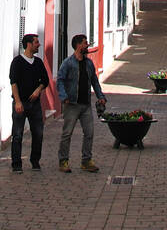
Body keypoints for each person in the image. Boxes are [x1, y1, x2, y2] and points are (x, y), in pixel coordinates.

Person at [56, 34, 106, 172]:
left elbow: (94, 81)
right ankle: (63, 161)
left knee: (89, 133)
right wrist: (63, 96)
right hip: (71, 104)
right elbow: (60, 80)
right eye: (85, 43)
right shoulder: (68, 63)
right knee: (67, 133)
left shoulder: (89, 63)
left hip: (86, 105)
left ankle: (86, 160)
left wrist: (100, 96)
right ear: (78, 45)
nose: (87, 45)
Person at [8, 34, 50, 172]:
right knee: (17, 134)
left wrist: (38, 90)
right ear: (29, 44)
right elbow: (13, 83)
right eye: (36, 42)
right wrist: (18, 102)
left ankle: (35, 161)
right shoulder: (17, 62)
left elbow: (45, 80)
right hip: (21, 103)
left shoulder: (38, 62)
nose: (39, 45)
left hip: (35, 105)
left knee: (38, 133)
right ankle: (16, 164)